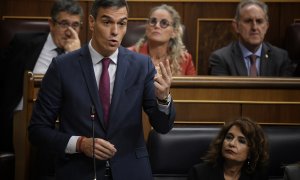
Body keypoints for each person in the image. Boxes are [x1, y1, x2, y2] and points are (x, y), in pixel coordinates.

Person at [28, 0, 176, 179]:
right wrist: (80, 144)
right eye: (107, 22)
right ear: (91, 22)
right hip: (79, 171)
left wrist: (163, 99)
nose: (115, 31)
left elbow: (162, 126)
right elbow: (37, 131)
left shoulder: (142, 65)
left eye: (122, 23)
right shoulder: (62, 67)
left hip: (131, 171)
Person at [0, 0, 83, 153]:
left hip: (60, 124)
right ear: (51, 24)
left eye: (75, 25)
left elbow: (81, 96)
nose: (70, 31)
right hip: (18, 119)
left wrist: (74, 57)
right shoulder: (23, 43)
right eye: (64, 24)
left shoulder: (82, 57)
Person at [209, 0, 293, 77]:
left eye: (259, 21)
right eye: (248, 21)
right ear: (236, 26)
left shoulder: (281, 58)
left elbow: (285, 93)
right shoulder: (221, 58)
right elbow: (221, 93)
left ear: (266, 27)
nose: (254, 27)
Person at [188, 117, 269, 180]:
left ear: (251, 151)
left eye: (241, 141)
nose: (231, 143)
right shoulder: (199, 174)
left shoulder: (258, 176)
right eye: (229, 137)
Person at [128, 4, 196, 76]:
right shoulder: (129, 55)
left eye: (164, 23)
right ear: (147, 27)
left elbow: (193, 86)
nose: (157, 26)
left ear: (174, 32)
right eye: (153, 21)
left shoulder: (185, 59)